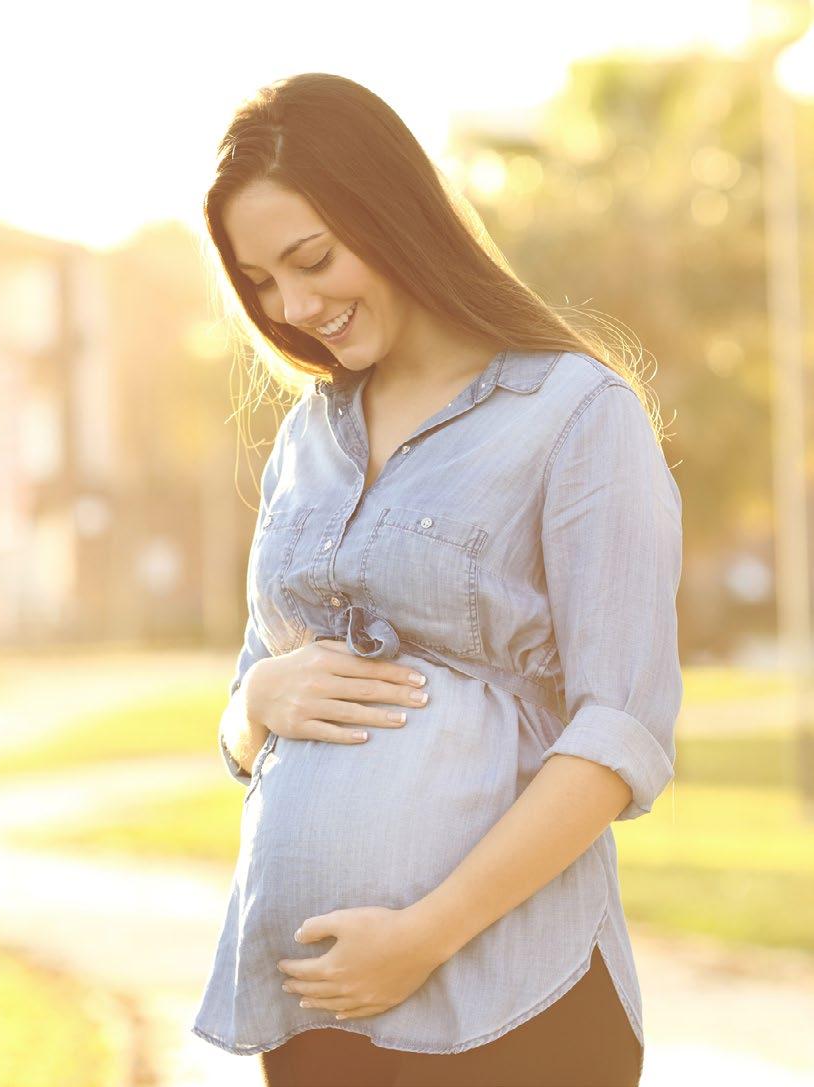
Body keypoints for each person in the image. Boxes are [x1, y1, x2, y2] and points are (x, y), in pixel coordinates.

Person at [191, 72, 682, 1087]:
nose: (293, 305)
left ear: (392, 210)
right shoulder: (306, 437)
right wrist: (252, 703)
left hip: (510, 1000)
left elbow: (617, 731)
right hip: (316, 1005)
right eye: (262, 283)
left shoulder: (574, 413)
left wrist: (423, 932)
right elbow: (250, 705)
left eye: (312, 259)